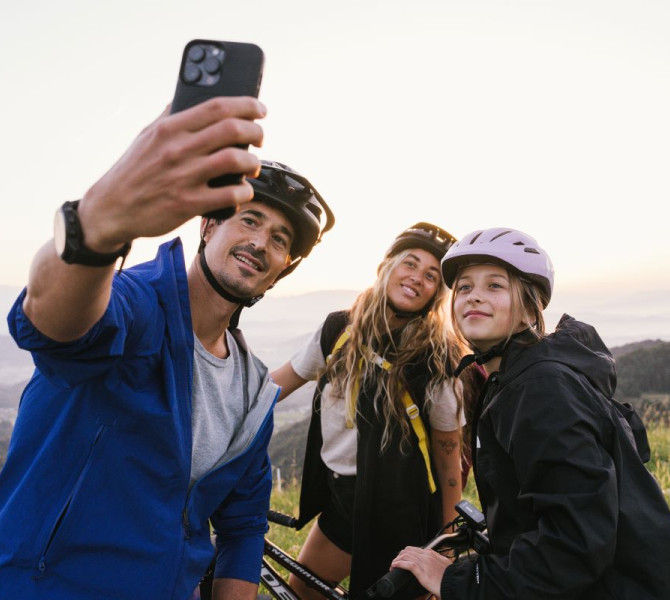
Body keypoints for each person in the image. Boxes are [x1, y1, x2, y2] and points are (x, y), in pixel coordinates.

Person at [0, 95, 335, 600]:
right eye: (249, 220)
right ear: (208, 225)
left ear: (282, 266)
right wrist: (100, 221)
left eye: (280, 239)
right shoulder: (136, 306)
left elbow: (243, 527)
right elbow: (50, 326)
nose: (261, 243)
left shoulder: (252, 390)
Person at [391, 227, 670, 599]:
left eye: (494, 286)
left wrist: (458, 581)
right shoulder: (519, 378)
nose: (474, 296)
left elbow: (576, 543)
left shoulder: (541, 390)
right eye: (464, 287)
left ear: (528, 307)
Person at [271, 223, 476, 600]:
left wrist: (445, 540)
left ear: (437, 293)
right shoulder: (339, 330)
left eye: (431, 275)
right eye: (409, 263)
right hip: (343, 500)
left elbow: (450, 461)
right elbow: (277, 386)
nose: (417, 278)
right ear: (387, 266)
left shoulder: (437, 360)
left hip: (401, 510)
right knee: (301, 593)